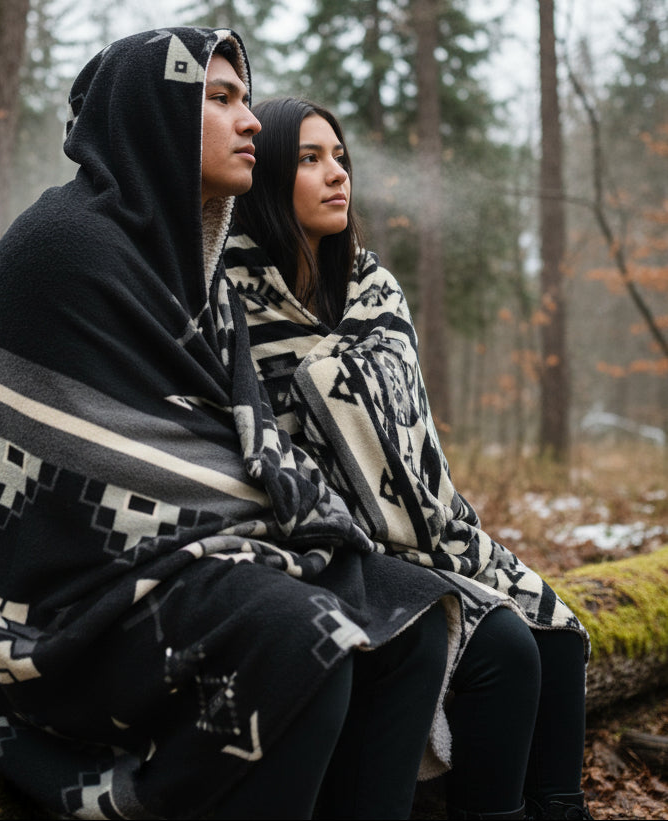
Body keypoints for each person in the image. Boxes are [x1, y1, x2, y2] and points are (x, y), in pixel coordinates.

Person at [0, 28, 476, 820]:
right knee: (303, 640)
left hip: (188, 550)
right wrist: (250, 520)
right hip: (68, 595)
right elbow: (81, 454)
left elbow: (239, 430)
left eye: (244, 98)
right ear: (153, 116)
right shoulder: (64, 244)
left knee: (409, 615)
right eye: (219, 99)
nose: (249, 120)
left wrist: (296, 514)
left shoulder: (195, 267)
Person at [224, 96, 594, 821]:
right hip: (323, 544)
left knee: (557, 636)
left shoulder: (375, 292)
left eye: (340, 157)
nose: (337, 174)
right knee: (506, 645)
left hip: (426, 525)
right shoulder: (230, 301)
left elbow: (416, 444)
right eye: (309, 159)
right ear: (265, 180)